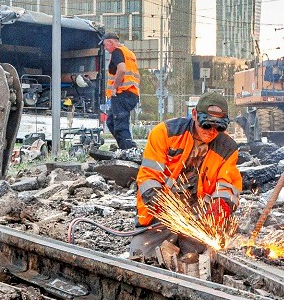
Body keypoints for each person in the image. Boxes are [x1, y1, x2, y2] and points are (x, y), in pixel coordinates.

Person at [130, 92, 242, 258]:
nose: (212, 131)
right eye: (207, 125)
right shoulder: (165, 134)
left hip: (200, 217)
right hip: (160, 217)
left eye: (218, 127)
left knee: (204, 256)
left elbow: (227, 185)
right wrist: (162, 206)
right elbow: (148, 178)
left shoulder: (227, 148)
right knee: (142, 255)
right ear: (194, 115)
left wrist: (221, 206)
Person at [102, 32, 140, 156]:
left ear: (111, 42)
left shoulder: (117, 52)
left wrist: (114, 88)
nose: (105, 49)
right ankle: (129, 147)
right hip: (131, 93)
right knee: (111, 122)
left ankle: (128, 152)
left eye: (105, 45)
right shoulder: (129, 53)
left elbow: (122, 69)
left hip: (121, 94)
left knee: (120, 125)